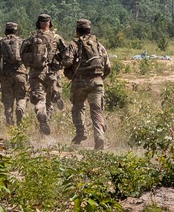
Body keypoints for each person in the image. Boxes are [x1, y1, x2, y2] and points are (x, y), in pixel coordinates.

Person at [63, 18, 112, 150]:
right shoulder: (98, 45)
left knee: (78, 107)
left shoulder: (73, 45)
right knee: (97, 111)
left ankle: (81, 133)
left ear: (77, 31)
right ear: (90, 30)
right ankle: (99, 136)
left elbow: (67, 62)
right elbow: (107, 66)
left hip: (79, 82)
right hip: (97, 81)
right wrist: (99, 79)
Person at [20, 14, 66, 135]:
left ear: (38, 23)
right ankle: (45, 124)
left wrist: (29, 66)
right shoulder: (56, 37)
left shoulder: (32, 38)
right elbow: (66, 54)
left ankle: (41, 113)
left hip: (36, 73)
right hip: (52, 74)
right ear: (49, 23)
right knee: (49, 102)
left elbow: (22, 53)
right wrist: (59, 65)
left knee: (39, 100)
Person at [0, 22, 28, 126]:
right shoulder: (23, 42)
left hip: (6, 75)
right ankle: (20, 108)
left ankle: (9, 125)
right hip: (20, 74)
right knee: (22, 97)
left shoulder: (0, 43)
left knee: (7, 101)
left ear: (5, 32)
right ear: (16, 32)